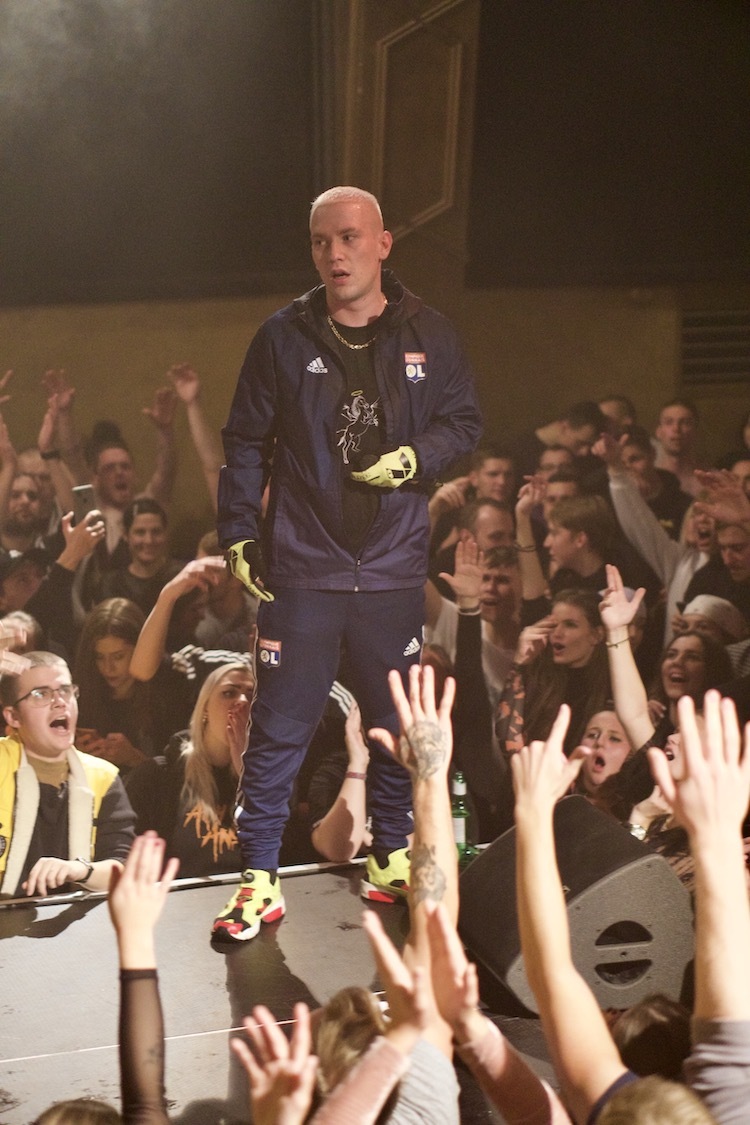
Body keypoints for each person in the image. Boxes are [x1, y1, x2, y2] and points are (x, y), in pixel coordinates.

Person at [213, 184, 482, 941]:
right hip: (304, 567)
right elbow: (245, 441)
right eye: (321, 241)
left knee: (394, 720)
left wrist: (415, 458)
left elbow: (465, 421)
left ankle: (390, 854)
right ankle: (259, 879)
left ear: (384, 244)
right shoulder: (282, 336)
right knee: (280, 727)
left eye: (350, 237)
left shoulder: (431, 331)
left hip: (392, 567)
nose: (335, 253)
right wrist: (238, 531)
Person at [0, 651, 135, 897]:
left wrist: (80, 870)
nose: (60, 701)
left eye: (65, 690)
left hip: (74, 919)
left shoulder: (103, 778)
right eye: (41, 694)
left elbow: (122, 867)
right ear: (13, 717)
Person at [125, 662, 254, 876]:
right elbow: (126, 858)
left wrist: (248, 775)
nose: (242, 702)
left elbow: (282, 855)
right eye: (229, 693)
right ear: (205, 707)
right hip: (176, 894)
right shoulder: (157, 775)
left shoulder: (270, 780)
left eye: (251, 695)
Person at [95, 498, 182, 616]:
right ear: (125, 535)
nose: (149, 540)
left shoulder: (181, 577)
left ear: (165, 533)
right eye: (140, 532)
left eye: (156, 532)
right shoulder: (111, 585)